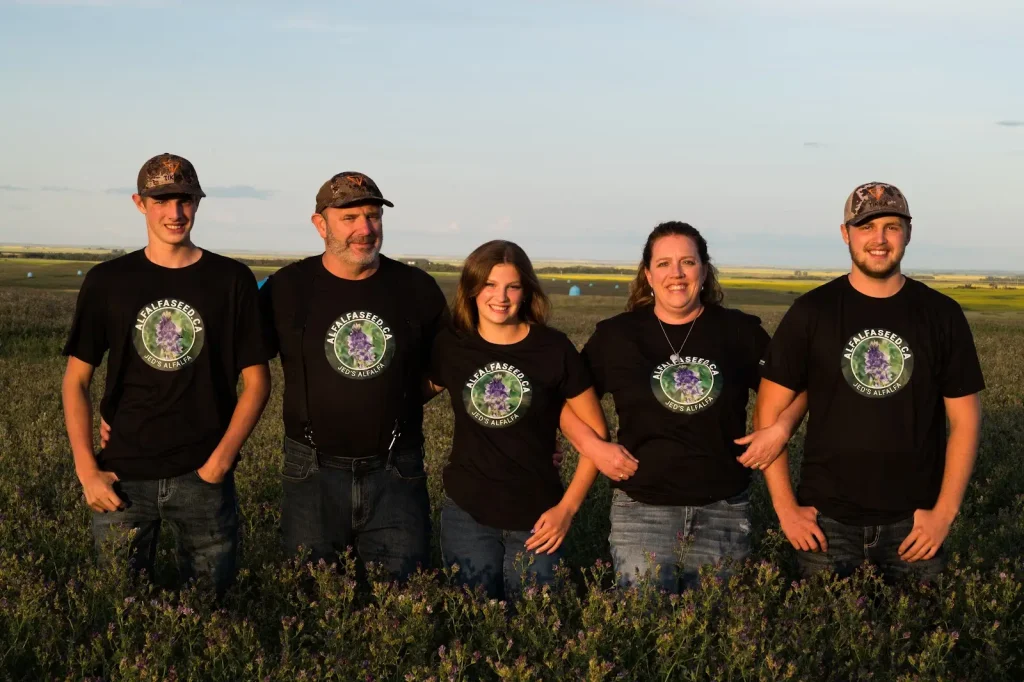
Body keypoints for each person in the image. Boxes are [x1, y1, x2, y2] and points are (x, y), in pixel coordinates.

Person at [62, 153, 271, 595]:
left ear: (198, 202)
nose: (175, 213)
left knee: (209, 612)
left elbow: (257, 382)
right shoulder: (107, 280)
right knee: (120, 609)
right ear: (139, 203)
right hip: (121, 477)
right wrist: (87, 471)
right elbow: (76, 380)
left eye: (185, 200)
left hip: (204, 477)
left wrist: (220, 462)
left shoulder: (232, 279)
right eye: (161, 201)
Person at [756, 182, 984, 581]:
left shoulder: (942, 314)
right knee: (824, 624)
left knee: (921, 623)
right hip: (825, 525)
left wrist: (943, 514)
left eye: (891, 226)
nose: (879, 239)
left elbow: (965, 421)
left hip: (915, 526)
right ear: (845, 234)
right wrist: (786, 509)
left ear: (908, 233)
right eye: (866, 227)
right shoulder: (811, 312)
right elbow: (768, 412)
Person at [562, 221, 806, 592]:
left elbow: (798, 384)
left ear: (704, 271)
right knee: (643, 623)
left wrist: (781, 429)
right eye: (663, 264)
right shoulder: (617, 336)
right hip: (641, 512)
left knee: (717, 622)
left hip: (724, 510)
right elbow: (562, 396)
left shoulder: (739, 331)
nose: (676, 273)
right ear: (648, 275)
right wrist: (593, 447)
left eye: (687, 262)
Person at [259, 172, 447, 579]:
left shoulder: (416, 288)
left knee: (402, 599)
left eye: (373, 216)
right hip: (311, 469)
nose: (365, 229)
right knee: (312, 596)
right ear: (320, 224)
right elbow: (239, 360)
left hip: (397, 468)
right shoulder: (287, 288)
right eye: (349, 218)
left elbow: (453, 365)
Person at [428, 240, 606, 599]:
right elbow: (410, 393)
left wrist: (566, 510)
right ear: (472, 289)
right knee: (474, 620)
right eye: (490, 284)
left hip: (539, 518)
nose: (501, 297)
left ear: (526, 292)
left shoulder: (553, 348)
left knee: (536, 622)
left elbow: (597, 435)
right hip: (467, 514)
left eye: (512, 286)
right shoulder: (452, 344)